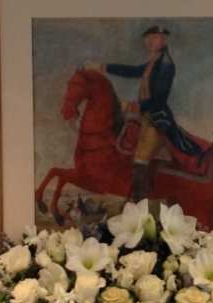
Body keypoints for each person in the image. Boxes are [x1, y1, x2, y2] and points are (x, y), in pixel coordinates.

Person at [86, 26, 201, 200]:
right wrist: (102, 67)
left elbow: (159, 98)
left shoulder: (166, 65)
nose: (149, 42)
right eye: (149, 38)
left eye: (154, 38)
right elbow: (132, 71)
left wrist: (134, 106)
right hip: (145, 115)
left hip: (157, 119)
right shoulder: (153, 62)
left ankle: (139, 202)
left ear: (163, 40)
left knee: (140, 158)